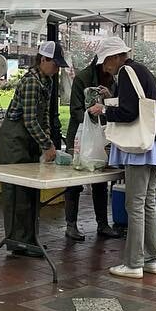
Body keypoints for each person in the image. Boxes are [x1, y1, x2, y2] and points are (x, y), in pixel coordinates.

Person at [88, 37, 156, 279]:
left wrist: (102, 109)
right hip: (155, 142)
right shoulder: (142, 70)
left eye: (106, 62)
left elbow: (128, 111)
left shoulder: (126, 71)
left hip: (139, 147)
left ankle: (133, 262)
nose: (105, 68)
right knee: (148, 202)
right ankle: (151, 258)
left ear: (115, 57)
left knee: (134, 204)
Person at [0, 40, 65, 258]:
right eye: (54, 64)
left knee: (30, 190)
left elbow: (43, 117)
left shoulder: (47, 81)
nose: (57, 69)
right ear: (43, 59)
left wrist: (48, 141)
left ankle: (29, 238)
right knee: (16, 191)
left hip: (30, 139)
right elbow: (29, 120)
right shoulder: (31, 82)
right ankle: (17, 242)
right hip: (14, 139)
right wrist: (47, 144)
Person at [63, 53, 118, 242]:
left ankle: (102, 224)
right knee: (75, 180)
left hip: (100, 135)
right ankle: (71, 225)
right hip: (80, 135)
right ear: (104, 62)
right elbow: (75, 110)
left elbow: (116, 105)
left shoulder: (112, 80)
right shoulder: (83, 78)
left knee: (100, 180)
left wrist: (108, 100)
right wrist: (91, 116)